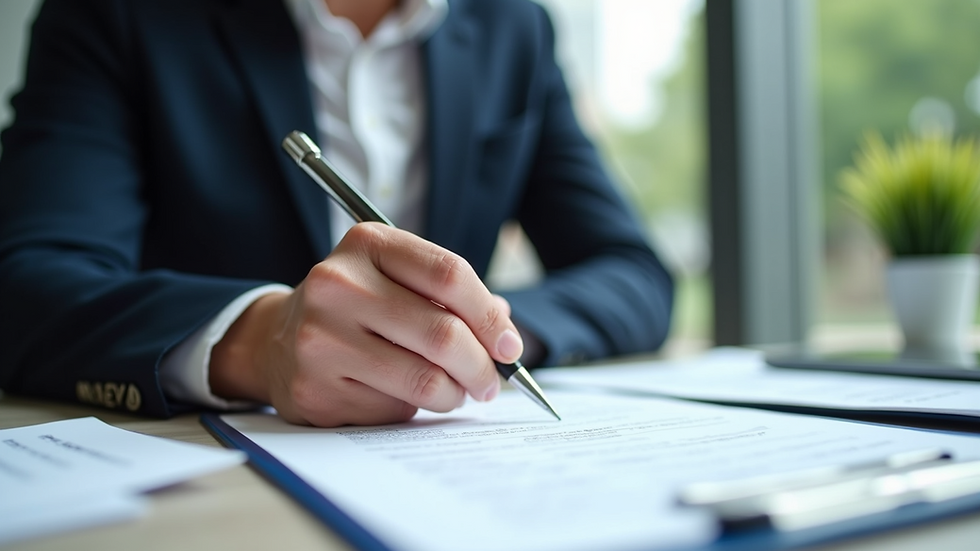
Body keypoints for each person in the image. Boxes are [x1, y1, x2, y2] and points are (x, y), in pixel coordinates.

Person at [0, 0, 674, 427]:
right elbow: (26, 285)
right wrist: (260, 342)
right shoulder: (115, 15)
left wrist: (478, 329)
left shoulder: (513, 26)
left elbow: (634, 273)